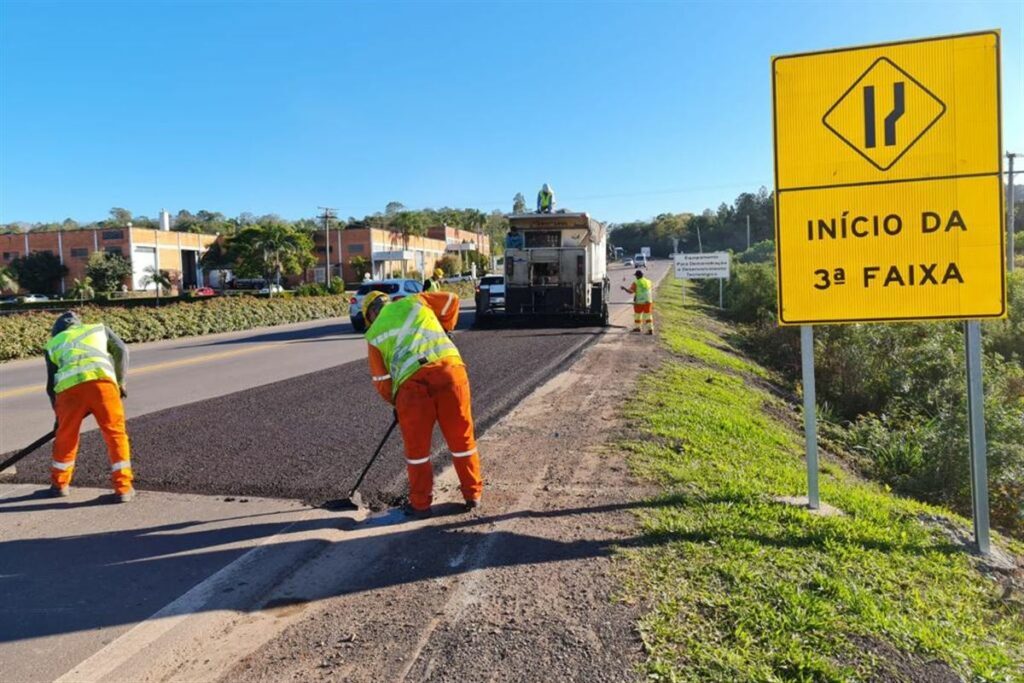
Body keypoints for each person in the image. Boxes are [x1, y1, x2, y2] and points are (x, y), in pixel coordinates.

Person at [361, 289, 483, 518]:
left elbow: (381, 381)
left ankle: (420, 504)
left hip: (412, 389)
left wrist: (397, 403)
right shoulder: (415, 301)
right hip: (450, 373)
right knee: (462, 439)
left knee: (417, 452)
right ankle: (473, 494)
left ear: (370, 316)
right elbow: (451, 300)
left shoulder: (373, 334)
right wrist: (446, 327)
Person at [45, 311, 135, 502]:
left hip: (69, 392)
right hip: (103, 386)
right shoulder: (98, 329)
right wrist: (120, 382)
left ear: (58, 331)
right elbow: (122, 350)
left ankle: (59, 485)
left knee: (66, 437)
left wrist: (58, 419)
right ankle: (123, 488)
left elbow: (50, 386)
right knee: (115, 434)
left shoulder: (53, 343)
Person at [621, 270, 654, 334]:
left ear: (637, 276)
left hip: (639, 302)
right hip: (648, 301)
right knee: (648, 316)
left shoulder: (636, 283)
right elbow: (649, 289)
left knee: (637, 315)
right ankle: (650, 329)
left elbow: (630, 292)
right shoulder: (648, 281)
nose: (635, 277)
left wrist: (624, 288)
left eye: (636, 275)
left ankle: (637, 328)